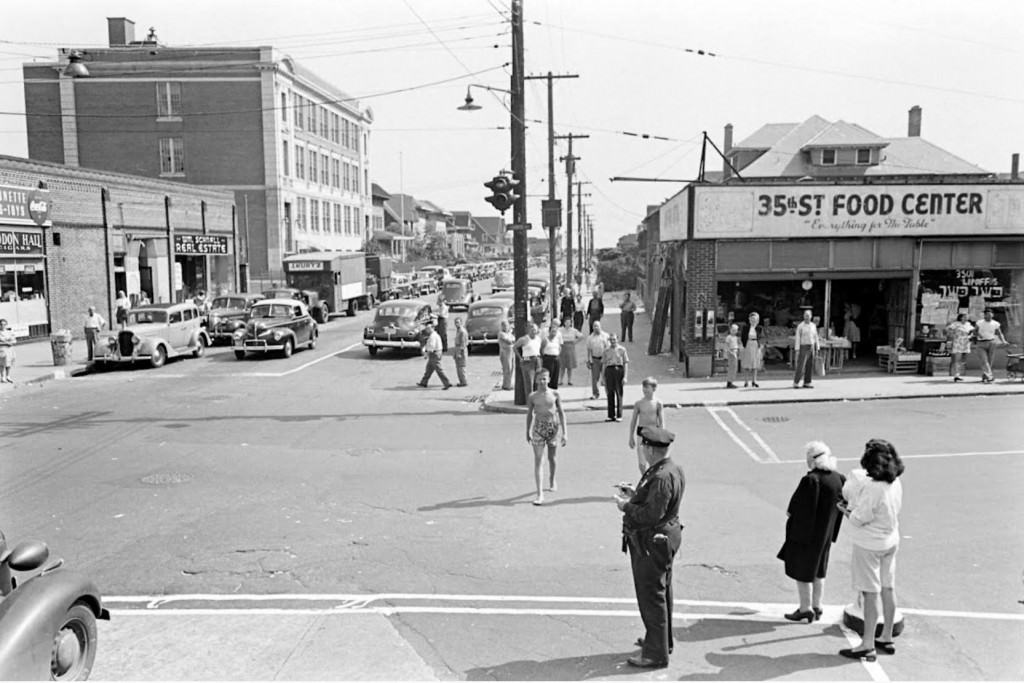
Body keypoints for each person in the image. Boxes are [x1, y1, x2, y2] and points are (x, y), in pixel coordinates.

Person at [613, 426, 685, 669]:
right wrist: (636, 494)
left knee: (651, 595)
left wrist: (626, 507)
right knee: (662, 591)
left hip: (652, 541)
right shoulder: (669, 469)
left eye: (644, 446)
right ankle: (661, 641)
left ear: (652, 450)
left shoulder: (661, 476)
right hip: (664, 538)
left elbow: (652, 514)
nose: (642, 449)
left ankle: (655, 654)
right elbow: (657, 501)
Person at [837, 438, 905, 662]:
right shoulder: (894, 482)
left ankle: (867, 644)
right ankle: (886, 637)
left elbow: (859, 518)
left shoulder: (873, 488)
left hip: (870, 544)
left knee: (870, 592)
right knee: (888, 586)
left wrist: (845, 510)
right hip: (890, 539)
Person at [776, 441, 846, 623]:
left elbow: (794, 510)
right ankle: (817, 605)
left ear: (813, 460)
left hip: (806, 535)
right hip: (826, 535)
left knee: (803, 570)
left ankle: (805, 608)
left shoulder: (811, 480)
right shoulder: (838, 478)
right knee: (819, 570)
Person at [525, 368, 567, 506]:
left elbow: (561, 413)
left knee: (552, 458)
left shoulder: (555, 394)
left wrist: (565, 433)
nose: (542, 381)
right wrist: (528, 430)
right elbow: (530, 414)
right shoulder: (532, 396)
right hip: (538, 428)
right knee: (538, 460)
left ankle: (552, 478)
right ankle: (539, 493)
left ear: (549, 379)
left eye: (545, 378)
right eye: (540, 379)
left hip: (553, 428)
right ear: (536, 380)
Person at [628, 377, 664, 474]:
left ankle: (652, 480)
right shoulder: (639, 403)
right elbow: (634, 420)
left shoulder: (658, 403)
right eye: (643, 387)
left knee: (654, 460)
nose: (644, 390)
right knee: (642, 462)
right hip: (641, 433)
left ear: (654, 389)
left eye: (647, 387)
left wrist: (662, 437)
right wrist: (631, 437)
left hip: (653, 433)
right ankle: (645, 478)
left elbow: (661, 422)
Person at [601, 333, 630, 422]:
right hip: (609, 370)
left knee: (619, 393)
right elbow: (604, 364)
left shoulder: (622, 350)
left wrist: (625, 377)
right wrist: (603, 377)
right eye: (611, 340)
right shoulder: (606, 351)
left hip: (619, 369)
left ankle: (619, 415)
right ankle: (611, 415)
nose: (613, 341)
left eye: (614, 339)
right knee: (610, 393)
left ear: (617, 339)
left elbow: (625, 363)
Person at [974, 308, 1007, 383]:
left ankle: (985, 376)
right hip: (981, 343)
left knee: (989, 361)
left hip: (992, 342)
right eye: (987, 314)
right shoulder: (979, 322)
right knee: (984, 360)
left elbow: (999, 333)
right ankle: (990, 377)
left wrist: (1003, 341)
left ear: (993, 315)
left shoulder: (995, 323)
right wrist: (979, 334)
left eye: (990, 314)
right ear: (984, 315)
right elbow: (974, 332)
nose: (989, 316)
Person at [416, 321, 452, 390]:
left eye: (428, 328)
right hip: (436, 353)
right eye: (427, 328)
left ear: (432, 328)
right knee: (429, 369)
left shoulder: (433, 336)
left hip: (434, 354)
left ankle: (447, 383)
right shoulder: (434, 335)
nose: (427, 330)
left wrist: (425, 353)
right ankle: (424, 382)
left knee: (439, 370)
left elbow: (431, 347)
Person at [793, 309, 820, 389]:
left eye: (808, 315)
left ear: (811, 316)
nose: (807, 317)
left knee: (809, 365)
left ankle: (807, 382)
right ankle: (796, 382)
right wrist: (797, 349)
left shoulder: (813, 325)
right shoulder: (800, 326)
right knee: (801, 365)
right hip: (803, 346)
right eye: (805, 315)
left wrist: (817, 347)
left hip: (811, 346)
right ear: (803, 316)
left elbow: (816, 337)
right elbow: (797, 338)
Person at [513, 322, 543, 396]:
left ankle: (537, 400)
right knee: (529, 383)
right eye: (532, 329)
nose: (533, 331)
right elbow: (515, 347)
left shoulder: (539, 339)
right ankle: (530, 402)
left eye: (535, 330)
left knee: (538, 381)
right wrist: (520, 358)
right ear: (529, 330)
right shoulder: (524, 339)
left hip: (537, 360)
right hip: (528, 361)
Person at [586, 321, 610, 400]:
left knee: (606, 377)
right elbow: (589, 349)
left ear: (600, 326)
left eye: (597, 326)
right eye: (594, 326)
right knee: (594, 378)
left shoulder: (605, 336)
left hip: (604, 359)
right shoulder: (590, 338)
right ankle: (595, 393)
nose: (596, 328)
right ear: (592, 327)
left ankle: (608, 393)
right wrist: (588, 360)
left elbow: (608, 348)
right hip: (595, 359)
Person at [945, 313, 973, 382]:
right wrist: (952, 335)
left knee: (963, 359)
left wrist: (971, 336)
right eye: (965, 317)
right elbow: (948, 329)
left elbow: (973, 331)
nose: (966, 318)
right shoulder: (956, 324)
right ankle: (956, 374)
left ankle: (959, 372)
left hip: (966, 342)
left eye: (967, 317)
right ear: (961, 318)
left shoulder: (968, 324)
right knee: (958, 358)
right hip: (958, 342)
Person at [740, 311, 765, 388]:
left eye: (755, 319)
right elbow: (742, 337)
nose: (753, 321)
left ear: (757, 320)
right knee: (747, 363)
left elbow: (761, 337)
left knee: (755, 364)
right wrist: (744, 346)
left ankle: (754, 381)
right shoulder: (745, 328)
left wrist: (760, 346)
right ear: (749, 319)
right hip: (748, 345)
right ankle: (746, 381)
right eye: (751, 319)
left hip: (756, 346)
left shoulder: (759, 328)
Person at [558, 317, 581, 386]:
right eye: (566, 322)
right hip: (562, 347)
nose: (567, 324)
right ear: (564, 323)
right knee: (562, 366)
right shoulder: (560, 330)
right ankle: (560, 380)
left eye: (569, 322)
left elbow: (581, 336)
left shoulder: (573, 330)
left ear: (571, 323)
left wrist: (575, 342)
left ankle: (569, 380)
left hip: (571, 348)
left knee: (569, 366)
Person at [540, 321, 563, 389]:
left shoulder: (557, 339)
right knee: (548, 375)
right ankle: (548, 388)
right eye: (552, 331)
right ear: (549, 332)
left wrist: (558, 355)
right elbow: (541, 350)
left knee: (555, 375)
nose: (554, 333)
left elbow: (560, 347)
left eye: (555, 332)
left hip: (556, 358)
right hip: (548, 358)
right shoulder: (545, 340)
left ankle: (554, 389)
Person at [497, 319, 515, 390]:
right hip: (505, 353)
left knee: (512, 368)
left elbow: (514, 339)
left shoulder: (509, 333)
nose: (506, 327)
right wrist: (512, 339)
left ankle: (509, 383)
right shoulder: (501, 334)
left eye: (507, 325)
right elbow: (509, 341)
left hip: (511, 352)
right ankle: (507, 385)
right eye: (504, 326)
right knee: (507, 369)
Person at [452, 317, 469, 387]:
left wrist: (459, 353)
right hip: (457, 348)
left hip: (461, 350)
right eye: (455, 322)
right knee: (458, 367)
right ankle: (461, 381)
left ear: (461, 323)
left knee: (461, 367)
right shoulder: (458, 330)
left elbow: (463, 343)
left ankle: (464, 381)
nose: (456, 324)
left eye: (458, 322)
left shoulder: (462, 331)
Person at [724, 323, 740, 389]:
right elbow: (727, 346)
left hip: (735, 352)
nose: (734, 331)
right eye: (733, 330)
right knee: (731, 368)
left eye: (735, 330)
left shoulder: (735, 337)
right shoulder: (729, 337)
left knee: (734, 368)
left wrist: (738, 351)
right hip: (731, 352)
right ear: (730, 330)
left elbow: (737, 345)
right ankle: (729, 382)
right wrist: (730, 352)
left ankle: (731, 381)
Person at [0, 319, 16, 384]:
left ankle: (8, 376)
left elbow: (14, 340)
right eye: (1, 324)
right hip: (2, 350)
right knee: (2, 364)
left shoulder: (10, 332)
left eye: (4, 324)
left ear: (6, 325)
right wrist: (5, 343)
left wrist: (11, 342)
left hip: (9, 350)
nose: (2, 326)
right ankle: (2, 377)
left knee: (8, 363)